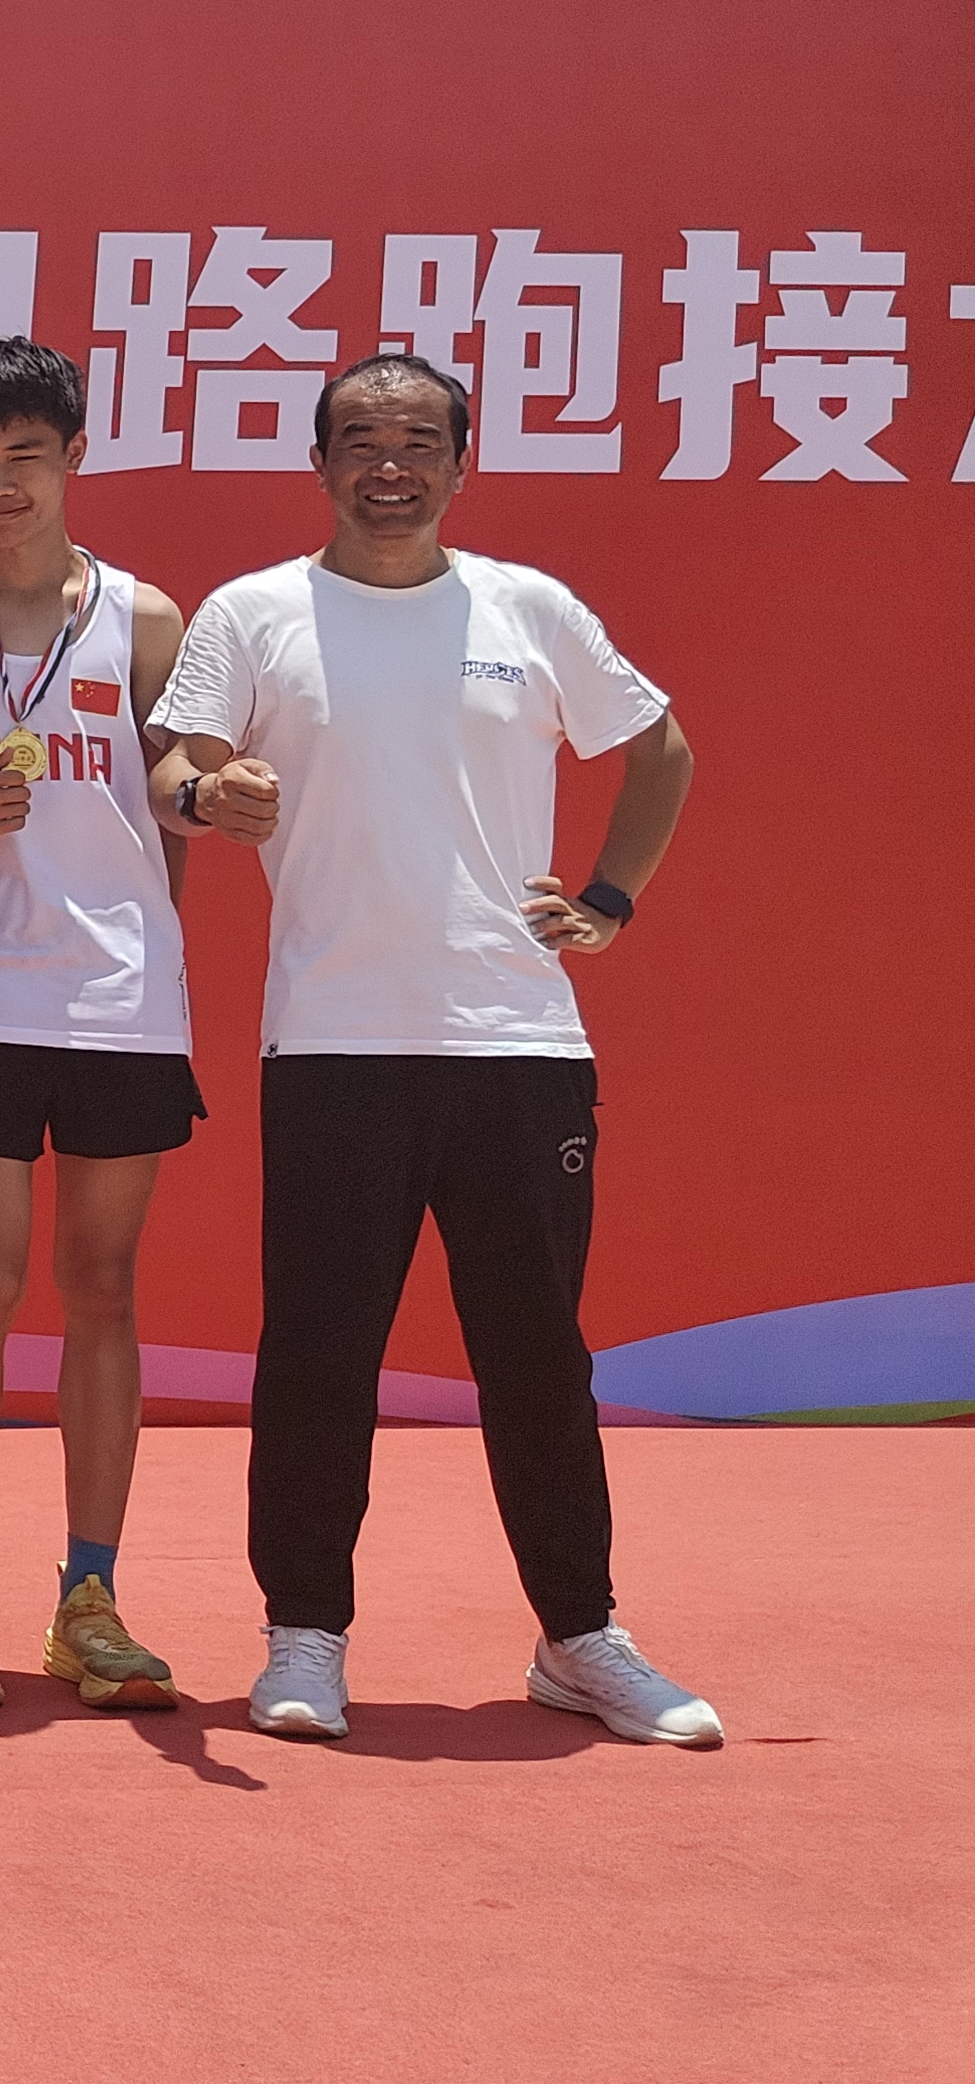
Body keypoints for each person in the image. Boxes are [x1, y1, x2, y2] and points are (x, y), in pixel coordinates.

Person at [153, 353, 716, 1747]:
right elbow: (171, 765)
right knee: (319, 1352)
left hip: (516, 1038)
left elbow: (660, 749)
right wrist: (209, 793)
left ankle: (579, 1635)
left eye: (417, 440)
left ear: (462, 465)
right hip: (334, 1040)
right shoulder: (256, 613)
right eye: (359, 439)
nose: (388, 465)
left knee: (536, 1356)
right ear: (319, 464)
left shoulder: (529, 609)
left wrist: (608, 900)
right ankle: (304, 1636)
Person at [0, 341, 198, 1716]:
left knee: (106, 1288)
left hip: (119, 1001)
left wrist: (158, 882)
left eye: (22, 457)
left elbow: (170, 801)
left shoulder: (144, 619)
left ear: (73, 456)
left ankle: (91, 1598)